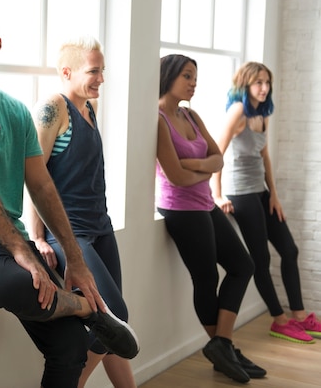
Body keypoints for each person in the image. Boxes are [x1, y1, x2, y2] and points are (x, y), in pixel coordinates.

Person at [0, 7, 139, 388]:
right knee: (25, 284)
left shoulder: (16, 112)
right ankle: (90, 309)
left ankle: (87, 312)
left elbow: (43, 186)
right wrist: (24, 251)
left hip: (3, 235)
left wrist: (77, 262)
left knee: (70, 345)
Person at [28, 36, 136, 388]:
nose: (101, 78)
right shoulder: (54, 108)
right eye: (94, 71)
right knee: (114, 315)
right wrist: (37, 237)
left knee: (113, 327)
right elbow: (32, 174)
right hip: (70, 234)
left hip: (100, 228)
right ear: (67, 71)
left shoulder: (90, 108)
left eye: (102, 70)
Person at [156, 54, 263, 383]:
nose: (193, 82)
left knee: (243, 265)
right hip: (180, 209)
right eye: (187, 76)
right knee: (206, 280)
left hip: (204, 204)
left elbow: (218, 158)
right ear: (169, 77)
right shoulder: (158, 118)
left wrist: (197, 166)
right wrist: (200, 167)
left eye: (195, 76)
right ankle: (223, 348)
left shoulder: (191, 114)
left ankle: (222, 346)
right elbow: (174, 176)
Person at [212, 61, 321, 344]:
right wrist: (218, 195)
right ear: (246, 85)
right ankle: (279, 320)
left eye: (267, 82)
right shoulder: (238, 112)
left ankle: (299, 315)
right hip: (241, 195)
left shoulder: (263, 113)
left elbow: (265, 155)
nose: (264, 88)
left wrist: (274, 194)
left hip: (260, 193)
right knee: (261, 258)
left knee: (290, 249)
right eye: (258, 82)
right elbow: (217, 154)